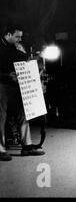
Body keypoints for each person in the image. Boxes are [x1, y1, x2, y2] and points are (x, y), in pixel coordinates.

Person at [0, 24, 45, 161]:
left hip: (16, 84)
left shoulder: (15, 46)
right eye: (17, 36)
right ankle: (0, 149)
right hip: (2, 85)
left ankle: (27, 145)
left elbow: (23, 59)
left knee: (24, 113)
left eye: (21, 36)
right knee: (0, 116)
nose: (20, 39)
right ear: (8, 35)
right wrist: (7, 76)